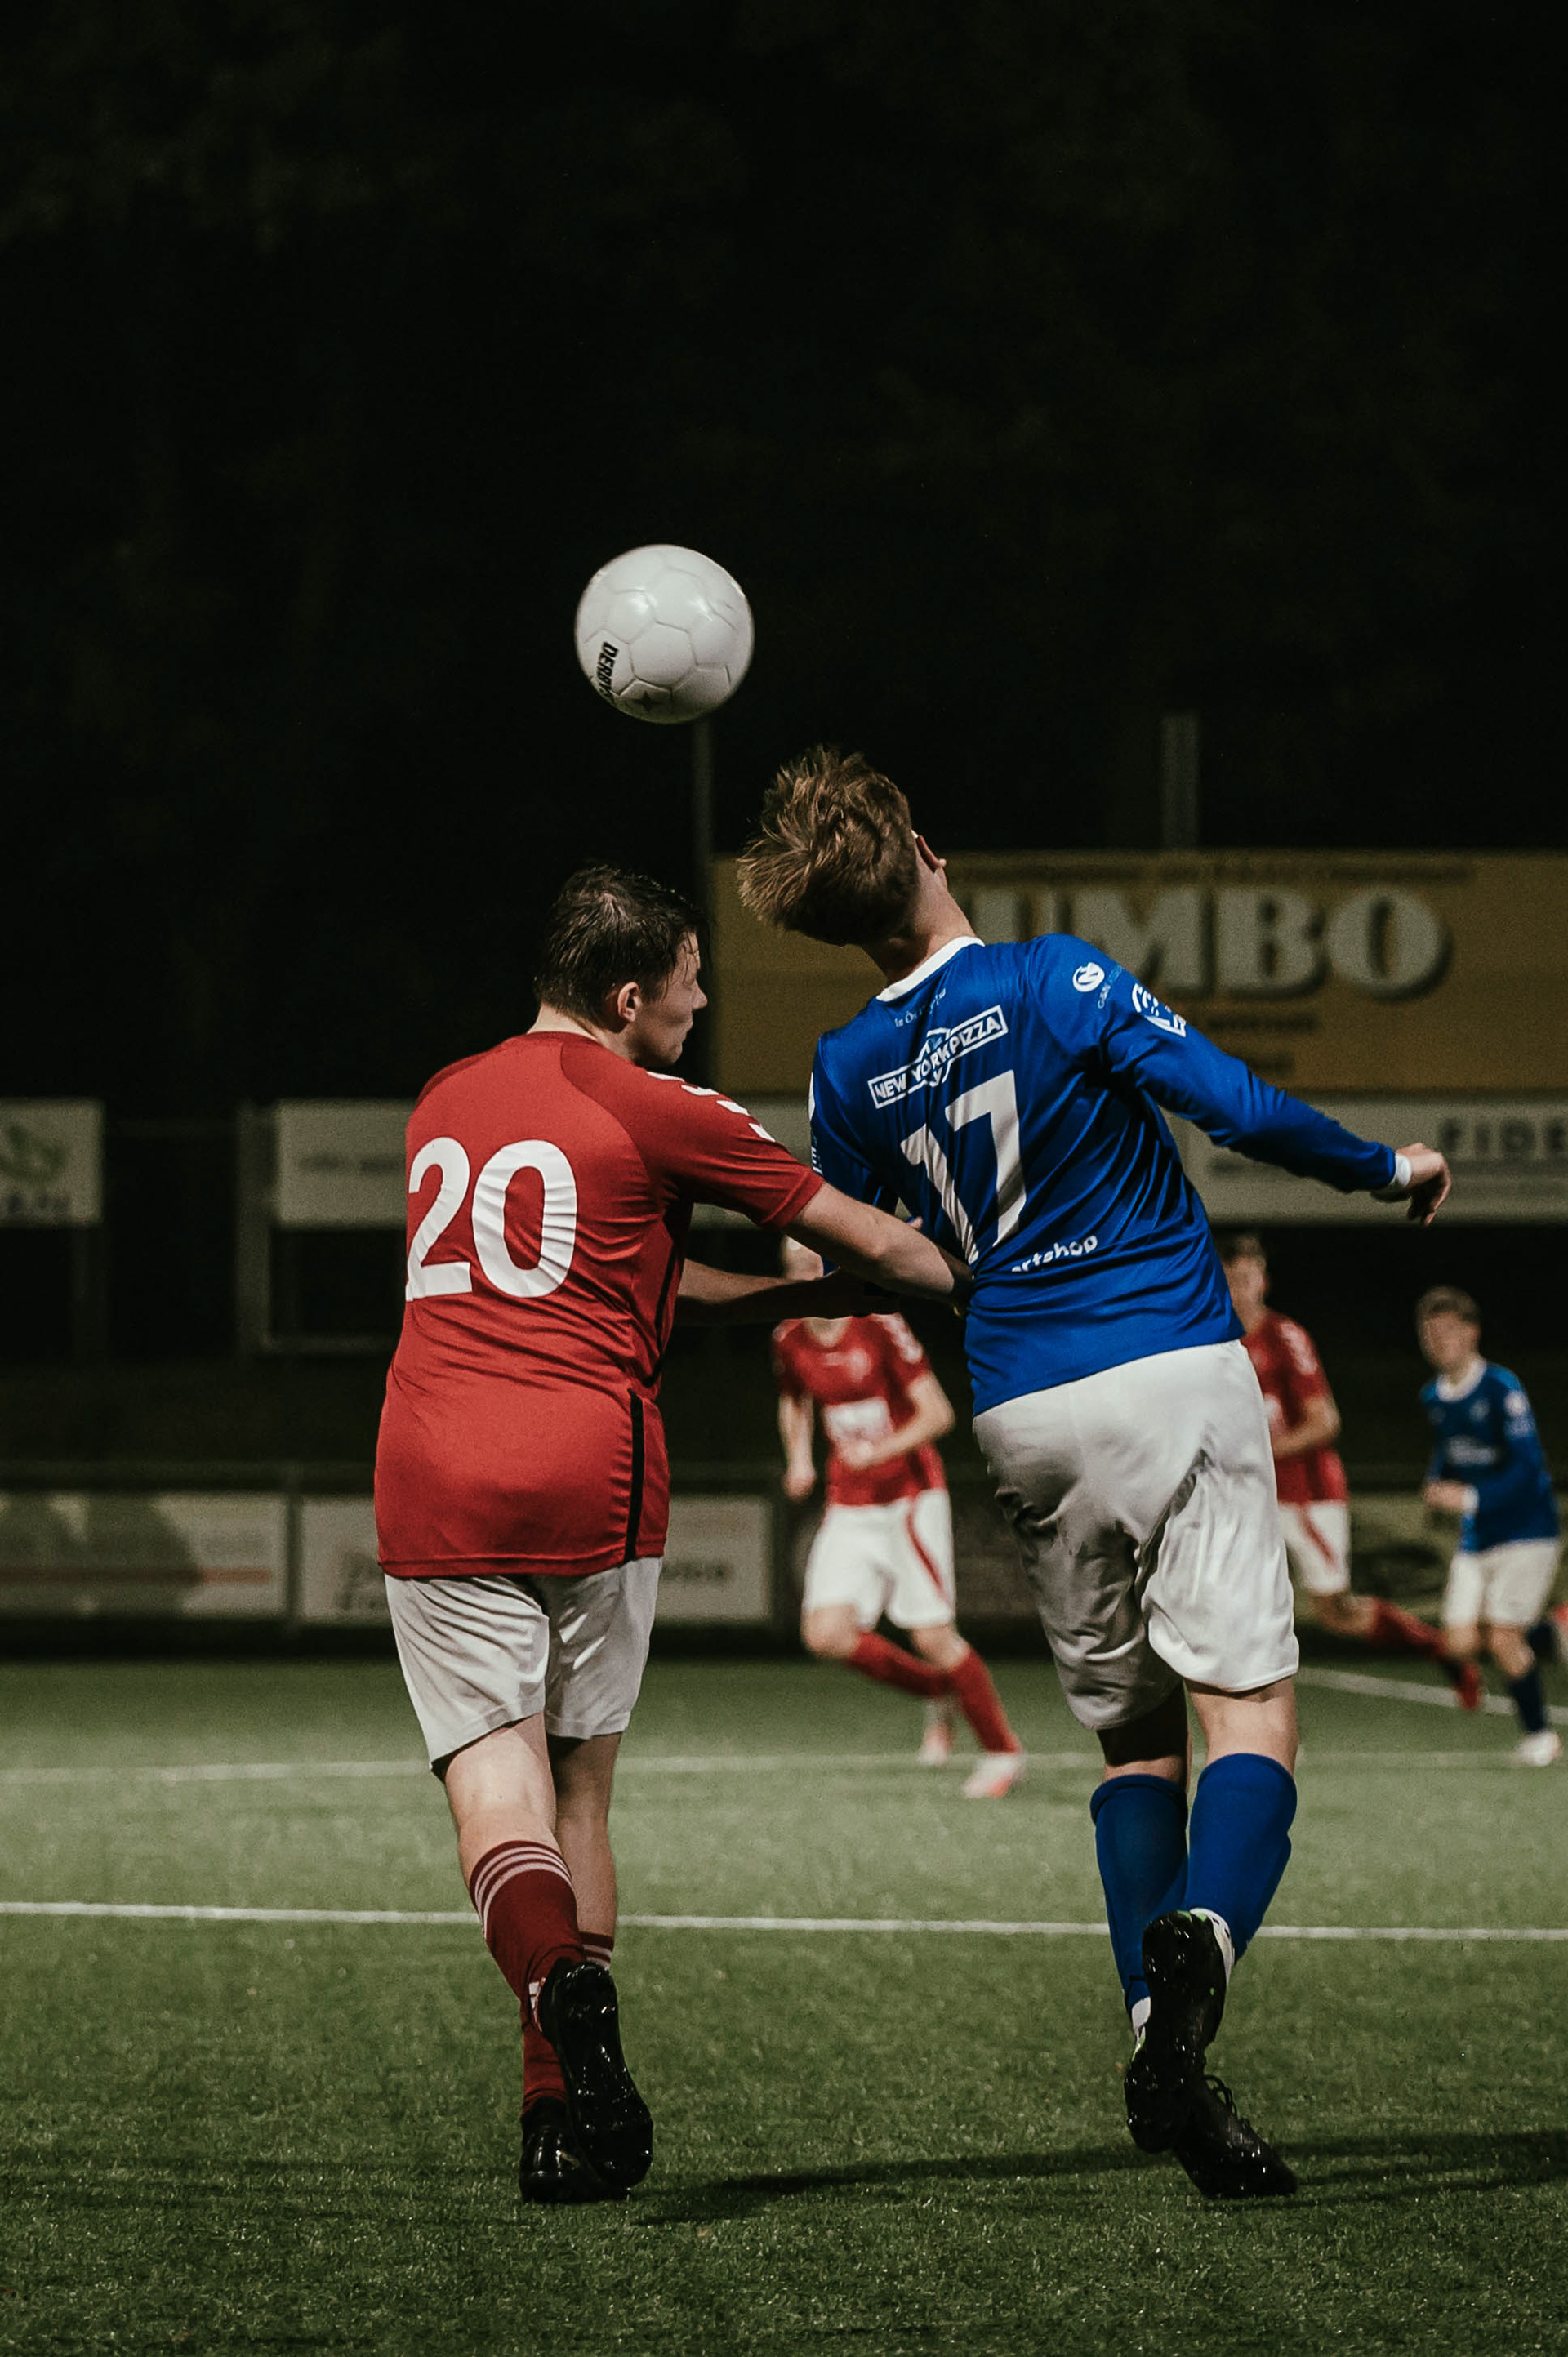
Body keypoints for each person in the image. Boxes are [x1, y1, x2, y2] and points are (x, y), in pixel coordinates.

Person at [737, 747, 1450, 2200]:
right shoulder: (1053, 977)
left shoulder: (844, 1068)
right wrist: (1386, 1171)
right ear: (927, 850)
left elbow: (882, 1264)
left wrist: (730, 1302)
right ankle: (1204, 1947)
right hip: (1169, 1367)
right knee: (1250, 1719)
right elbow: (1234, 1105)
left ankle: (1156, 2040)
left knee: (1134, 1745)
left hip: (1020, 1405)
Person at [373, 862, 968, 2206]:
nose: (703, 1009)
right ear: (630, 996)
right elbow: (877, 1243)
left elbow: (614, 1269)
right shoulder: (659, 1106)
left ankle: (553, 2081)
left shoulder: (442, 1100)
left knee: (496, 1801)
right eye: (693, 987)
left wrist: (780, 1302)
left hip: (434, 1467)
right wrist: (1003, 1281)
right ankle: (566, 2064)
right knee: (579, 1796)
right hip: (590, 1467)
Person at [773, 1237, 1026, 1796]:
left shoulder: (879, 1325)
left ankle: (1002, 1751)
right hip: (849, 1502)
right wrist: (799, 1459)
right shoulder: (789, 1336)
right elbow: (794, 1399)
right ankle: (939, 1690)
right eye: (794, 1267)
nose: (804, 1277)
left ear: (834, 1267)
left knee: (932, 1634)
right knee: (825, 1634)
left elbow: (938, 1414)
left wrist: (879, 1452)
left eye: (813, 1264)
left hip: (910, 1498)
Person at [1218, 1233, 1482, 1708]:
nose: (1238, 1289)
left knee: (1336, 1611)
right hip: (1251, 1494)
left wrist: (1260, 1451)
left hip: (1305, 1496)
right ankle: (1258, 1711)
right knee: (1237, 1600)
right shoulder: (1214, 1339)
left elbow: (1325, 1422)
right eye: (1229, 1279)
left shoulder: (1284, 1337)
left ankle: (1438, 1648)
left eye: (1246, 1278)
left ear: (1264, 1281)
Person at [1415, 1285, 1564, 1764]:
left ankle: (1541, 1737)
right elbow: (1449, 1452)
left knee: (1502, 1638)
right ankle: (1553, 1630)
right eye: (1429, 1332)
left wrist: (1471, 1497)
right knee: (1458, 1642)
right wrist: (1437, 1483)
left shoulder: (1502, 1388)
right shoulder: (1433, 1395)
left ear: (1472, 1333)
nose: (1438, 1340)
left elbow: (1528, 1465)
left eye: (1448, 1330)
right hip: (1478, 1537)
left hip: (1527, 1531)